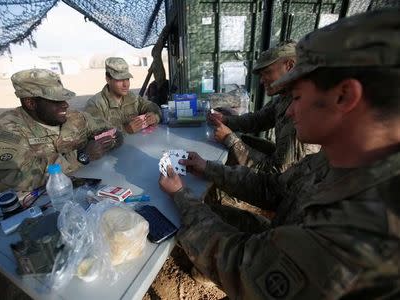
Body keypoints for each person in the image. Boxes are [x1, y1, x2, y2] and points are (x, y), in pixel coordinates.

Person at [159, 9, 400, 299]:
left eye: (297, 97)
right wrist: (208, 168)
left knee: (182, 215)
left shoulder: (360, 232)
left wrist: (181, 197)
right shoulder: (334, 159)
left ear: (344, 96)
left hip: (260, 262)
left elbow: (243, 268)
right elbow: (273, 188)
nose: (290, 109)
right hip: (278, 230)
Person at [0, 69, 122, 194]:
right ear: (31, 103)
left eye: (63, 98)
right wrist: (81, 156)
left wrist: (109, 140)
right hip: (44, 201)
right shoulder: (7, 129)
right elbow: (17, 177)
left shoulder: (75, 117)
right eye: (56, 100)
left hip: (90, 188)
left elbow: (113, 131)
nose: (65, 104)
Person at [209, 41, 318, 173]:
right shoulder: (286, 97)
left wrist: (230, 140)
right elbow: (259, 119)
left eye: (267, 72)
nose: (261, 80)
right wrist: (226, 120)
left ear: (289, 66)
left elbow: (277, 174)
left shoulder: (300, 114)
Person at [85, 57, 162, 134]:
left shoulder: (132, 98)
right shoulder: (95, 104)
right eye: (120, 80)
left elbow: (150, 106)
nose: (126, 85)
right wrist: (124, 130)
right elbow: (94, 132)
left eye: (127, 79)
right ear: (108, 79)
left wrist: (154, 116)